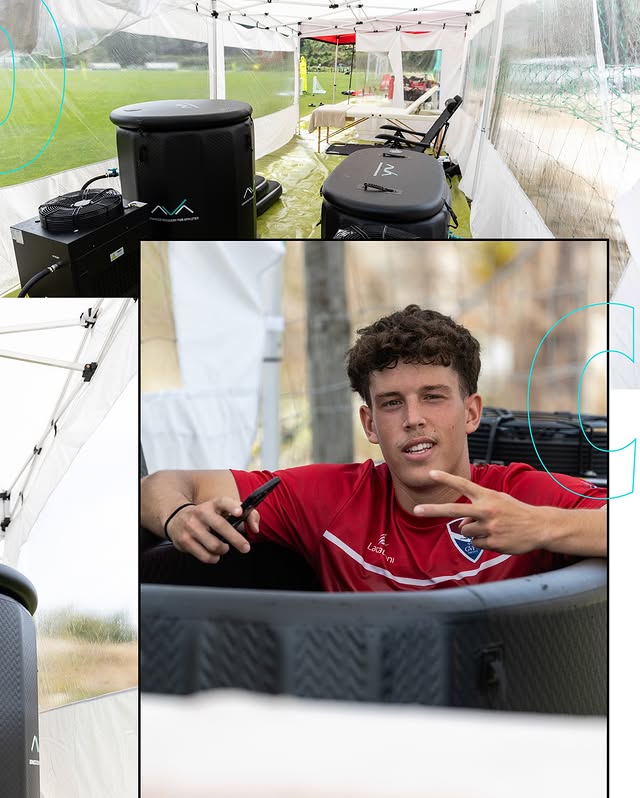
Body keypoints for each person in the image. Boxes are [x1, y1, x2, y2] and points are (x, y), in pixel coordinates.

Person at [141, 305, 607, 591]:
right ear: (369, 423)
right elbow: (160, 484)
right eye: (391, 403)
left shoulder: (518, 495)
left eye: (433, 395)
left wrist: (542, 525)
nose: (413, 417)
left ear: (470, 412)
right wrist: (178, 516)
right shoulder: (331, 497)